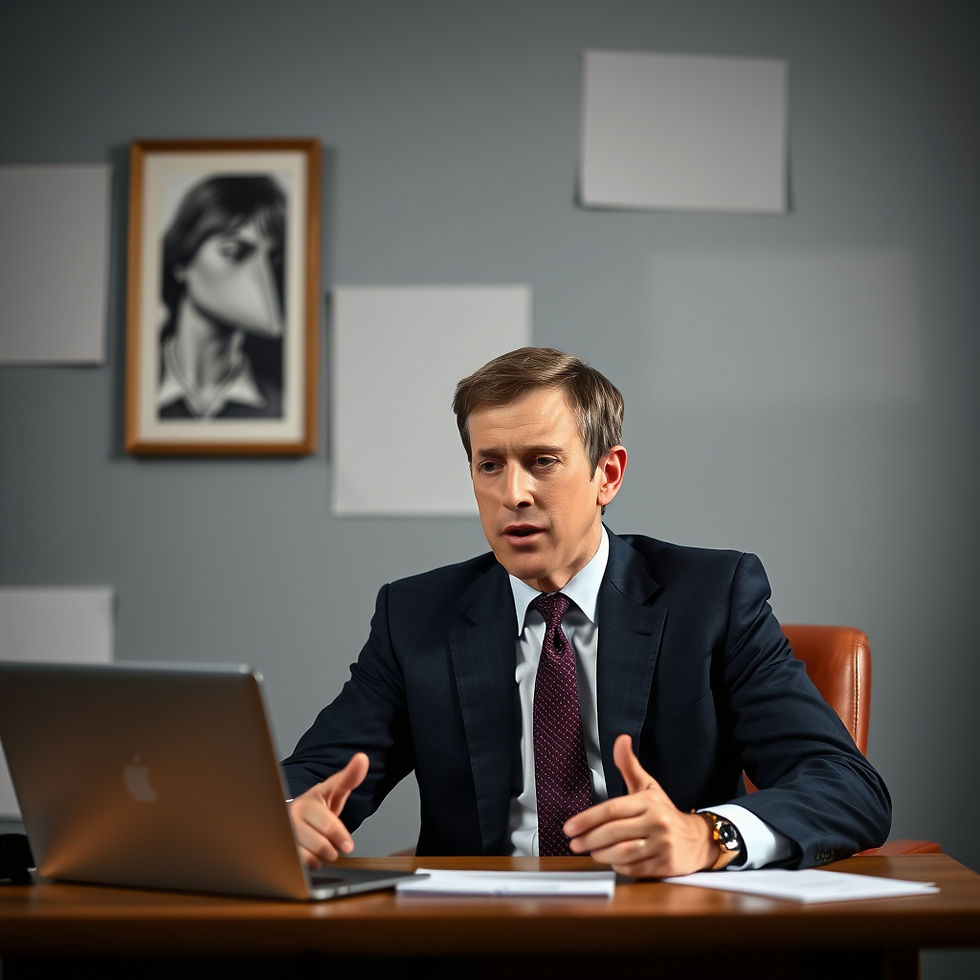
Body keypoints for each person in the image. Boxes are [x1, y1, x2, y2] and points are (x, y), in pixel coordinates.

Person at [282, 347, 890, 877]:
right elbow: (316, 776)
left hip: (665, 929)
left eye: (542, 462)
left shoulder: (712, 597)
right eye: (489, 464)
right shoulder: (416, 615)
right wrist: (287, 819)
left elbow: (847, 788)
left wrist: (706, 836)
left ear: (608, 473)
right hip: (478, 938)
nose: (512, 493)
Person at [157, 174, 286, 420]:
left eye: (274, 259)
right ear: (183, 262)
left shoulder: (284, 400)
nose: (263, 276)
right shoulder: (134, 383)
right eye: (235, 252)